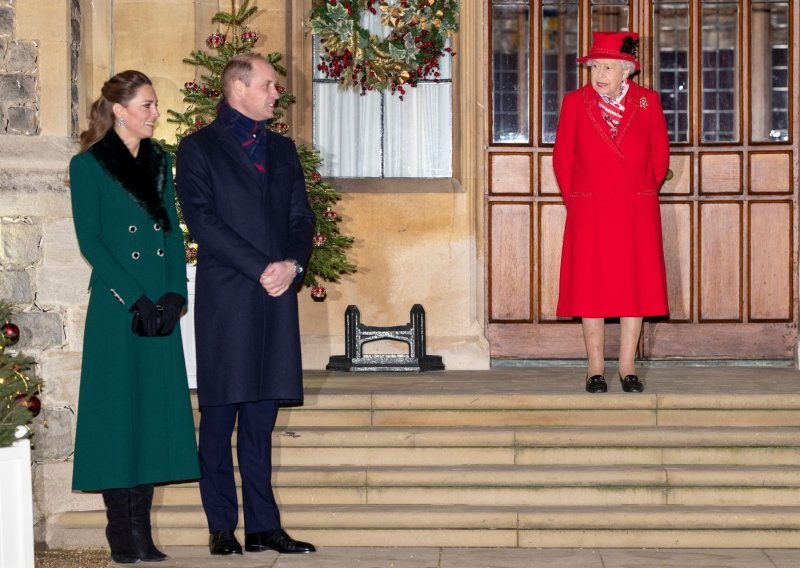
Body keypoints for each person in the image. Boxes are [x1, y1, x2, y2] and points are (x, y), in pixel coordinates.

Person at [175, 54, 316, 556]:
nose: (276, 93)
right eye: (268, 85)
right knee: (219, 417)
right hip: (230, 297)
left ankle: (263, 526)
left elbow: (302, 218)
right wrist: (262, 266)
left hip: (276, 297)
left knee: (261, 420)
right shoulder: (197, 149)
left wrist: (292, 265)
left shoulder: (282, 150)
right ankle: (220, 527)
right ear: (237, 89)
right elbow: (203, 221)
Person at [69, 70, 200, 564]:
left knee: (151, 415)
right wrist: (135, 298)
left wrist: (173, 293)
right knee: (116, 414)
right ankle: (119, 531)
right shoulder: (88, 166)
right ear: (120, 109)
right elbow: (92, 242)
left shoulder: (160, 161)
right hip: (118, 307)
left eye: (154, 104)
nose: (153, 113)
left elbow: (169, 232)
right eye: (146, 105)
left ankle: (143, 532)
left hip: (158, 308)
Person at [553, 32, 670, 393]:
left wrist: (640, 191)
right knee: (592, 287)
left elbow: (659, 153)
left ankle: (628, 367)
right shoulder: (575, 102)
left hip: (636, 209)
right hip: (591, 209)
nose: (599, 73)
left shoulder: (648, 102)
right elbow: (563, 158)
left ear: (626, 71)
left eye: (607, 67)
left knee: (635, 286)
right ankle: (594, 369)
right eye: (594, 67)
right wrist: (580, 200)